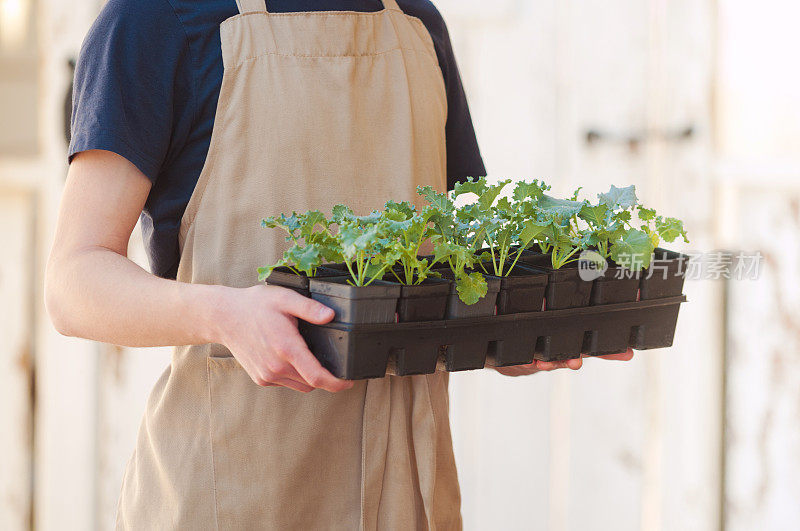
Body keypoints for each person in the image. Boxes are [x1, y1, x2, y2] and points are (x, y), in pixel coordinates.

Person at [45, 0, 633, 528]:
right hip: (235, 492)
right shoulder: (156, 22)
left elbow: (452, 276)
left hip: (407, 495)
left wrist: (519, 333)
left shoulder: (417, 27)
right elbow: (73, 281)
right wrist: (224, 314)